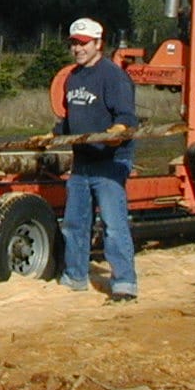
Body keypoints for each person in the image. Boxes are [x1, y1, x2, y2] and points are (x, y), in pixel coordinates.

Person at [52, 17, 139, 302]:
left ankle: (124, 283)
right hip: (82, 163)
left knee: (113, 225)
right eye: (74, 43)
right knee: (75, 223)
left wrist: (117, 131)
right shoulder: (73, 78)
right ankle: (75, 276)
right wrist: (53, 134)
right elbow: (70, 120)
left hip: (110, 162)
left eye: (83, 43)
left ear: (98, 43)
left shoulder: (113, 76)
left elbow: (126, 117)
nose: (78, 49)